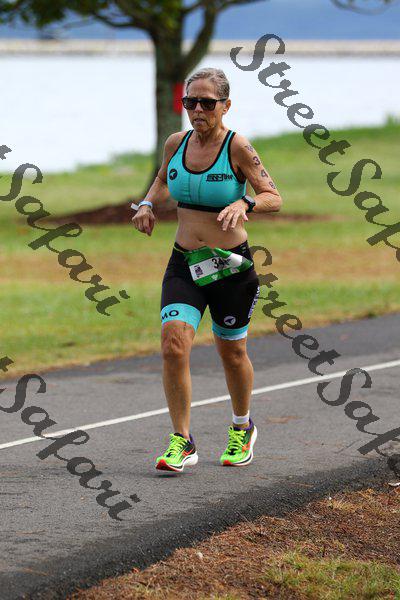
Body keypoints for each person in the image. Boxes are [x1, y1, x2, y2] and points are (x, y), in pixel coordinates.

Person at [131, 67, 282, 473]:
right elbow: (162, 179)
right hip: (184, 263)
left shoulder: (238, 147)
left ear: (225, 105)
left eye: (207, 103)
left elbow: (273, 196)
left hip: (230, 267)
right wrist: (146, 203)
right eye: (190, 102)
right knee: (173, 344)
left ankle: (242, 427)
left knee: (232, 352)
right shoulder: (175, 143)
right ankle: (182, 440)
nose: (197, 109)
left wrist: (245, 202)